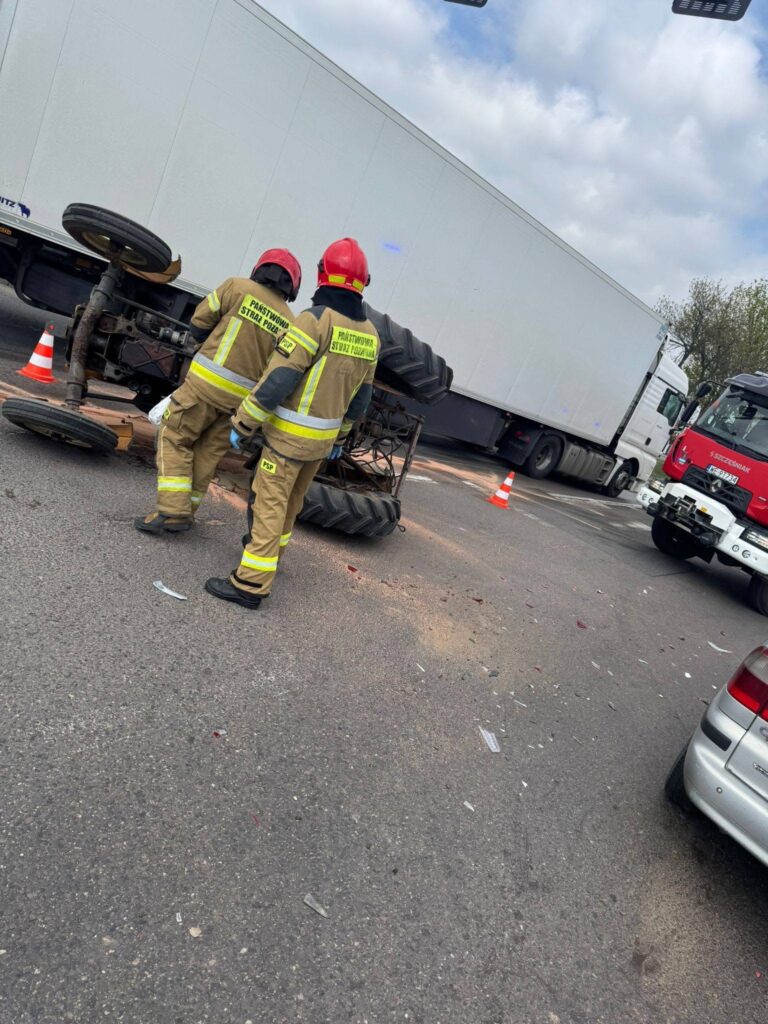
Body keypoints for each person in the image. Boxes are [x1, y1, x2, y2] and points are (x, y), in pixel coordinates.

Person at [204, 238, 379, 608]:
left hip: (287, 440)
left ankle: (250, 583)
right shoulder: (371, 336)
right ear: (365, 281)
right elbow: (361, 398)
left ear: (321, 274)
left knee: (268, 502)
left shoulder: (314, 321)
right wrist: (341, 436)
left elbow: (280, 379)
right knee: (292, 502)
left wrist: (244, 421)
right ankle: (271, 557)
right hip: (321, 442)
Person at [134, 249, 301, 534]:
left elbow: (199, 323)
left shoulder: (236, 287)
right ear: (292, 285)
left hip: (204, 387)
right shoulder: (290, 319)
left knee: (174, 436)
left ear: (260, 268)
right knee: (208, 453)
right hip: (241, 404)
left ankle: (173, 511)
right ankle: (188, 511)